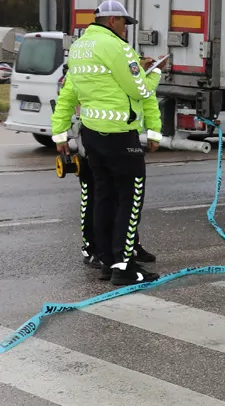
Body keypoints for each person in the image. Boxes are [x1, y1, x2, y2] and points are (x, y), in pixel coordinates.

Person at [50, 1, 162, 286]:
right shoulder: (117, 48)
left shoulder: (79, 48)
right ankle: (125, 267)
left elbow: (70, 92)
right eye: (124, 23)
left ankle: (108, 261)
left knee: (104, 197)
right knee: (129, 198)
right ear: (112, 20)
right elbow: (139, 89)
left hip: (92, 135)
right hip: (119, 135)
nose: (126, 29)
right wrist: (156, 74)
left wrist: (59, 133)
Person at [63, 57, 165, 272]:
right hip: (91, 136)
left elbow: (146, 99)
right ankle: (95, 250)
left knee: (121, 199)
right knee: (97, 196)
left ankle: (123, 250)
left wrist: (154, 130)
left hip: (117, 135)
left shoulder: (123, 64)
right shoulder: (85, 66)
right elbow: (67, 99)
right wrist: (59, 133)